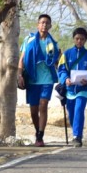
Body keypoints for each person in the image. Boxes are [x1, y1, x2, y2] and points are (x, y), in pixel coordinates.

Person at [17, 14, 60, 147]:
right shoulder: (29, 40)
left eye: (47, 23)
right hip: (32, 79)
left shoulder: (52, 43)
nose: (44, 25)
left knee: (43, 104)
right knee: (34, 111)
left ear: (50, 26)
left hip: (47, 79)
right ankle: (37, 131)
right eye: (42, 23)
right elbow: (22, 58)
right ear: (38, 25)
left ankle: (40, 135)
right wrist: (19, 75)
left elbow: (57, 61)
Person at [57, 27, 87, 147]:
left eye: (82, 39)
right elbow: (61, 70)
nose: (79, 41)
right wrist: (65, 79)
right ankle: (75, 132)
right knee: (71, 112)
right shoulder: (66, 54)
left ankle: (77, 136)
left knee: (79, 109)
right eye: (77, 39)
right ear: (73, 39)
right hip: (70, 90)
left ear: (85, 40)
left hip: (83, 89)